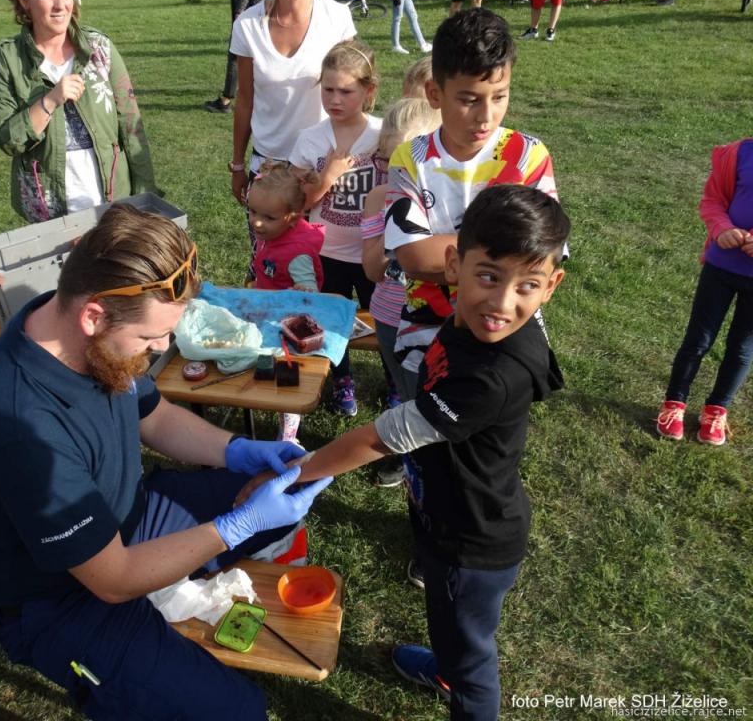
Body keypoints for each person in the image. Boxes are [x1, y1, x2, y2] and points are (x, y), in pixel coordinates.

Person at [0, 203, 333, 720]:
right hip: (62, 599)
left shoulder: (81, 329)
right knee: (237, 712)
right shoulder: (21, 430)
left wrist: (237, 451)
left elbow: (152, 416)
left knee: (278, 493)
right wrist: (235, 525)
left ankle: (175, 586)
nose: (161, 348)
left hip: (127, 521)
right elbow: (112, 579)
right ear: (93, 315)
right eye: (151, 338)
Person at [243, 185, 570, 719]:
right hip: (444, 510)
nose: (501, 303)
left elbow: (379, 437)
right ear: (453, 265)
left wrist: (299, 473)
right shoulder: (474, 319)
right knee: (446, 617)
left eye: (527, 286)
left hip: (473, 540)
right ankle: (445, 663)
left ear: (550, 287)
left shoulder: (493, 377)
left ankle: (461, 687)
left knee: (472, 654)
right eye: (488, 275)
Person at [384, 7, 556, 412]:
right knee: (425, 445)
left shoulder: (528, 156)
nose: (486, 116)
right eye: (468, 100)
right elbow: (412, 257)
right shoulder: (410, 160)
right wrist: (499, 252)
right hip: (427, 337)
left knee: (489, 457)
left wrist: (448, 251)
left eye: (500, 97)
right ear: (434, 94)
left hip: (509, 336)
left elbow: (539, 260)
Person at [0, 0, 158, 222]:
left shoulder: (99, 48)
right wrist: (50, 100)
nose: (60, 5)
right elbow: (9, 140)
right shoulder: (6, 59)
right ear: (24, 0)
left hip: (113, 202)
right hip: (49, 212)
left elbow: (131, 125)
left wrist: (146, 195)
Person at [289, 39, 383, 416]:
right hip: (326, 253)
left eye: (346, 91)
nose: (335, 99)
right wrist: (326, 177)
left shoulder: (382, 136)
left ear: (368, 90)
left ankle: (395, 379)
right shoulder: (310, 138)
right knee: (330, 321)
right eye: (328, 89)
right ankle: (342, 378)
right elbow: (297, 204)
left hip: (375, 254)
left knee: (385, 322)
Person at [229, 0, 356, 209]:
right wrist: (238, 165)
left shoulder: (337, 18)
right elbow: (244, 101)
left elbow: (352, 92)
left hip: (323, 163)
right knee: (269, 247)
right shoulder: (247, 26)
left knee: (325, 249)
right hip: (269, 165)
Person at [361, 97, 440, 489]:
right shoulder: (378, 198)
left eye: (407, 161)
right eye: (389, 160)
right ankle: (409, 458)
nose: (397, 171)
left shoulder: (444, 200)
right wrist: (396, 230)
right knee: (408, 394)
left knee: (438, 397)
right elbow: (373, 271)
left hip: (437, 320)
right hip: (390, 317)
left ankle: (433, 459)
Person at [656, 138, 753, 446]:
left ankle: (716, 409)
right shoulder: (738, 153)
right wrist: (721, 228)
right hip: (721, 268)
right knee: (698, 339)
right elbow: (712, 201)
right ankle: (674, 403)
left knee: (741, 348)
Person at [248, 161, 326, 442]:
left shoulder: (297, 254)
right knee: (266, 364)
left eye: (267, 217)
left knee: (287, 373)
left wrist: (289, 296)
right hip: (267, 312)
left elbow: (309, 295)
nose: (256, 222)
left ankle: (290, 432)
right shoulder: (274, 233)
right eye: (252, 212)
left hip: (288, 325)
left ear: (292, 219)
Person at [204, 0, 268, 114]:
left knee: (235, 54)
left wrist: (239, 13)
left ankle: (226, 100)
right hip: (268, 5)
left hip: (251, 9)